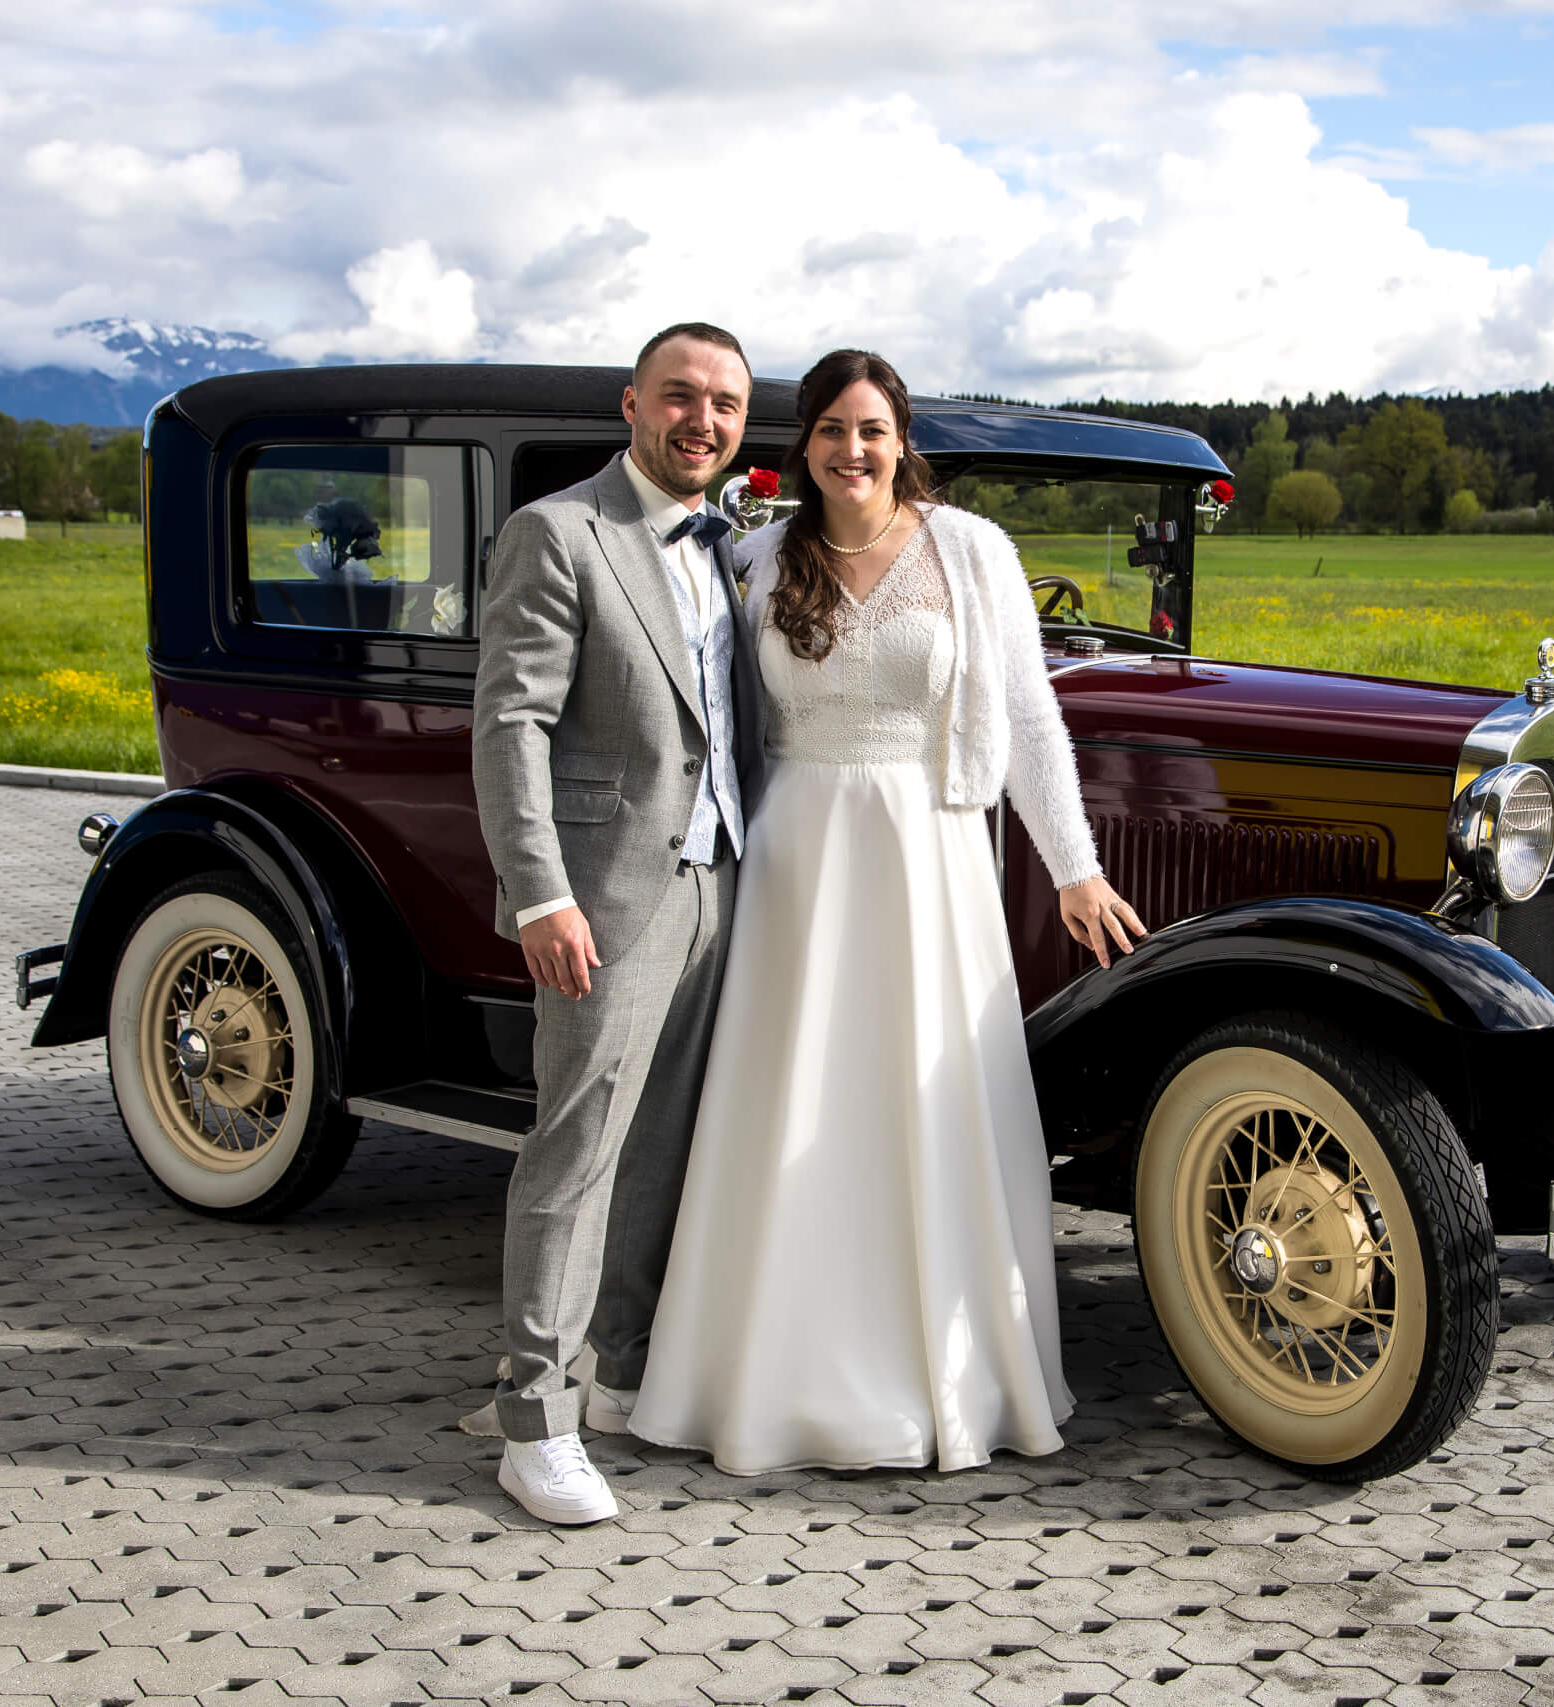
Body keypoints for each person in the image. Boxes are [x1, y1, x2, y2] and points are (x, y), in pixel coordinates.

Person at [624, 349, 1146, 1475]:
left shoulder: (970, 552)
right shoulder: (758, 558)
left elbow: (1026, 716)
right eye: (829, 430)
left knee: (919, 1101)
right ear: (800, 445)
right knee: (789, 1101)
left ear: (900, 439)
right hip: (795, 864)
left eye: (870, 430)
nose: (851, 451)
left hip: (929, 856)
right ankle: (767, 1377)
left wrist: (1074, 865)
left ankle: (941, 1379)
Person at [469, 323, 767, 1525]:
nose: (704, 420)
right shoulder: (559, 531)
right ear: (633, 404)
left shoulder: (738, 546)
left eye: (728, 405)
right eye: (683, 397)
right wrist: (540, 891)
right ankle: (530, 1417)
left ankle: (615, 1374)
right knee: (577, 1148)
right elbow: (511, 725)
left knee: (667, 1149)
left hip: (726, 884)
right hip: (607, 897)